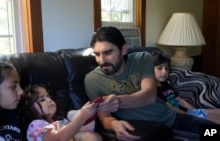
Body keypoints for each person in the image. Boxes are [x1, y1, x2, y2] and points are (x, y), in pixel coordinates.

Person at [84, 26, 216, 141]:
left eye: (108, 52)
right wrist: (114, 124)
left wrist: (118, 101)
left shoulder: (142, 58)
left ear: (123, 50)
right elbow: (104, 117)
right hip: (151, 131)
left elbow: (149, 96)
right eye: (97, 54)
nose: (102, 60)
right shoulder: (92, 80)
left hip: (174, 118)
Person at [151, 51, 220, 124]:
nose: (164, 72)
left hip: (188, 111)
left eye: (167, 68)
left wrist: (194, 110)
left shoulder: (164, 84)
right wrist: (189, 114)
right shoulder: (154, 88)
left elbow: (178, 99)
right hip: (181, 115)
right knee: (217, 119)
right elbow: (170, 106)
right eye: (159, 68)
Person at [19, 84, 102, 141]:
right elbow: (59, 138)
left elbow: (75, 133)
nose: (49, 100)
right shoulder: (35, 125)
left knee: (94, 137)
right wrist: (82, 116)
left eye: (49, 97)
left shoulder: (61, 122)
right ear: (31, 109)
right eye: (42, 100)